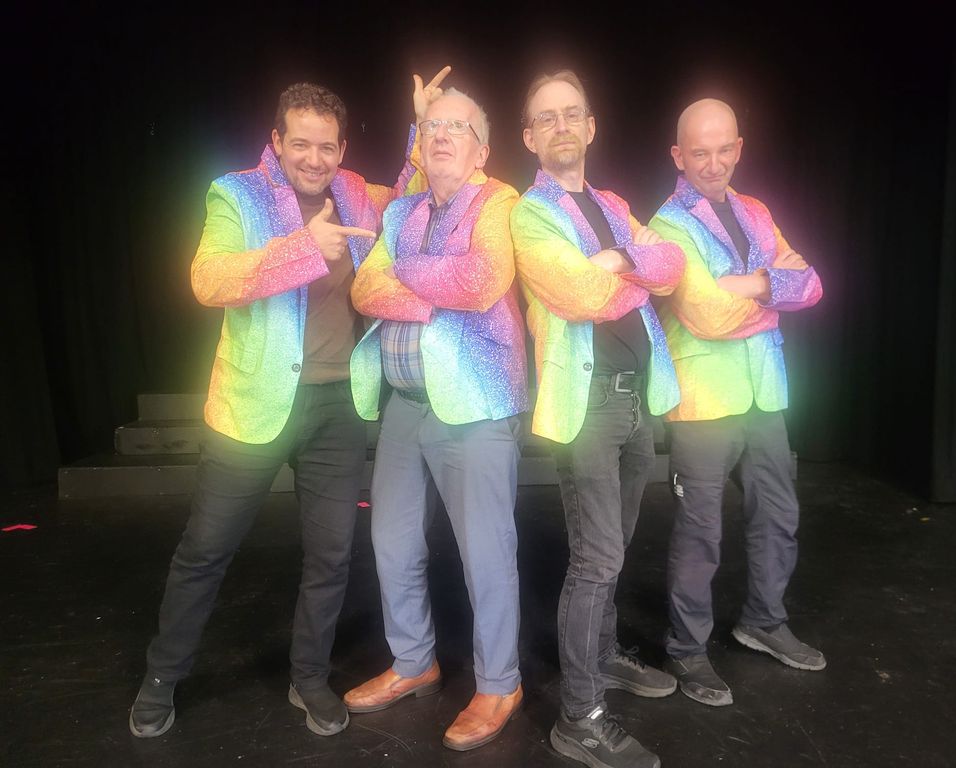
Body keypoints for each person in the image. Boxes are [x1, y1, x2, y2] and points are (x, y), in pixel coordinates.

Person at [129, 78, 427, 739]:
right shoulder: (236, 194)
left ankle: (309, 676)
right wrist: (302, 250)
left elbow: (409, 200)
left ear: (341, 148)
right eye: (301, 144)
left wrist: (421, 129)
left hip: (336, 405)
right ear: (276, 141)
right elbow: (209, 279)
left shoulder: (356, 193)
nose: (314, 159)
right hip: (253, 404)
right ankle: (162, 677)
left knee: (330, 555)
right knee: (206, 550)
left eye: (327, 147)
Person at [342, 78, 527, 752]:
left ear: (483, 150)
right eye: (431, 127)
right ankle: (414, 660)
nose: (442, 135)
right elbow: (364, 287)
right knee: (391, 541)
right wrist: (426, 282)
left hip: (475, 403)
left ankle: (501, 682)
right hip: (404, 402)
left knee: (486, 552)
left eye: (457, 128)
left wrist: (405, 275)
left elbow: (479, 282)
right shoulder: (401, 213)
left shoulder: (500, 200)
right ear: (418, 144)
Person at [510, 70, 684, 768]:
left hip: (637, 398)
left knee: (617, 546)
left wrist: (617, 257)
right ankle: (578, 718)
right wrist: (627, 268)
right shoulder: (530, 213)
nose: (561, 126)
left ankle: (605, 655)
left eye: (571, 114)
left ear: (591, 126)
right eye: (546, 117)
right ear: (529, 136)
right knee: (597, 558)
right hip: (588, 405)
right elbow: (579, 292)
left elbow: (671, 266)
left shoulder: (612, 205)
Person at [648, 98, 825, 708]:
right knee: (701, 531)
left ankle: (763, 622)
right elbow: (704, 313)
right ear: (678, 155)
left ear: (740, 147)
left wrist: (744, 286)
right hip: (703, 399)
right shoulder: (667, 226)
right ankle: (686, 648)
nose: (714, 162)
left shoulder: (756, 211)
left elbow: (811, 284)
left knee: (777, 511)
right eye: (700, 152)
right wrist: (773, 286)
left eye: (725, 149)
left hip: (763, 391)